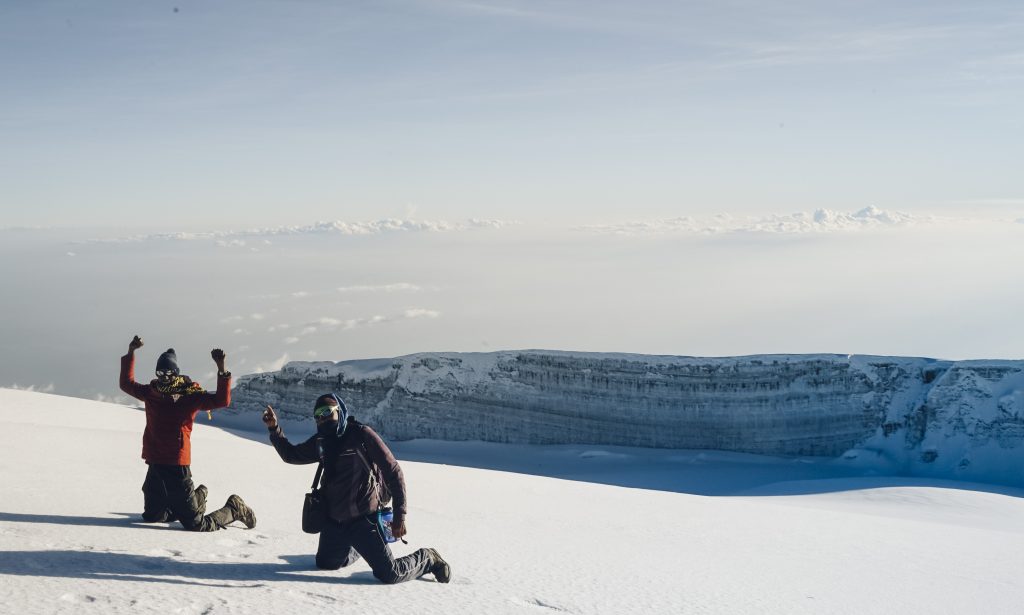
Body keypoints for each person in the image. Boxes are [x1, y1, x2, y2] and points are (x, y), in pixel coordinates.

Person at [262, 394, 451, 584]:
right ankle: (360, 548)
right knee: (326, 563)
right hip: (334, 521)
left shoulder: (361, 435)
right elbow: (292, 455)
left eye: (327, 412)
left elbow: (394, 473)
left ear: (339, 412)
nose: (322, 418)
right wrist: (274, 429)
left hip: (363, 520)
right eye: (317, 416)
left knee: (390, 573)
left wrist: (399, 516)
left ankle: (428, 558)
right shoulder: (322, 441)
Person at [119, 335, 256, 531]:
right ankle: (190, 502)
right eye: (160, 372)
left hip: (177, 464)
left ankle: (234, 508)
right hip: (155, 461)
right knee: (152, 516)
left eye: (168, 372)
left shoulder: (189, 395)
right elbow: (126, 384)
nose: (164, 377)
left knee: (196, 525)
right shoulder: (151, 391)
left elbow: (221, 400)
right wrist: (131, 351)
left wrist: (221, 368)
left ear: (176, 373)